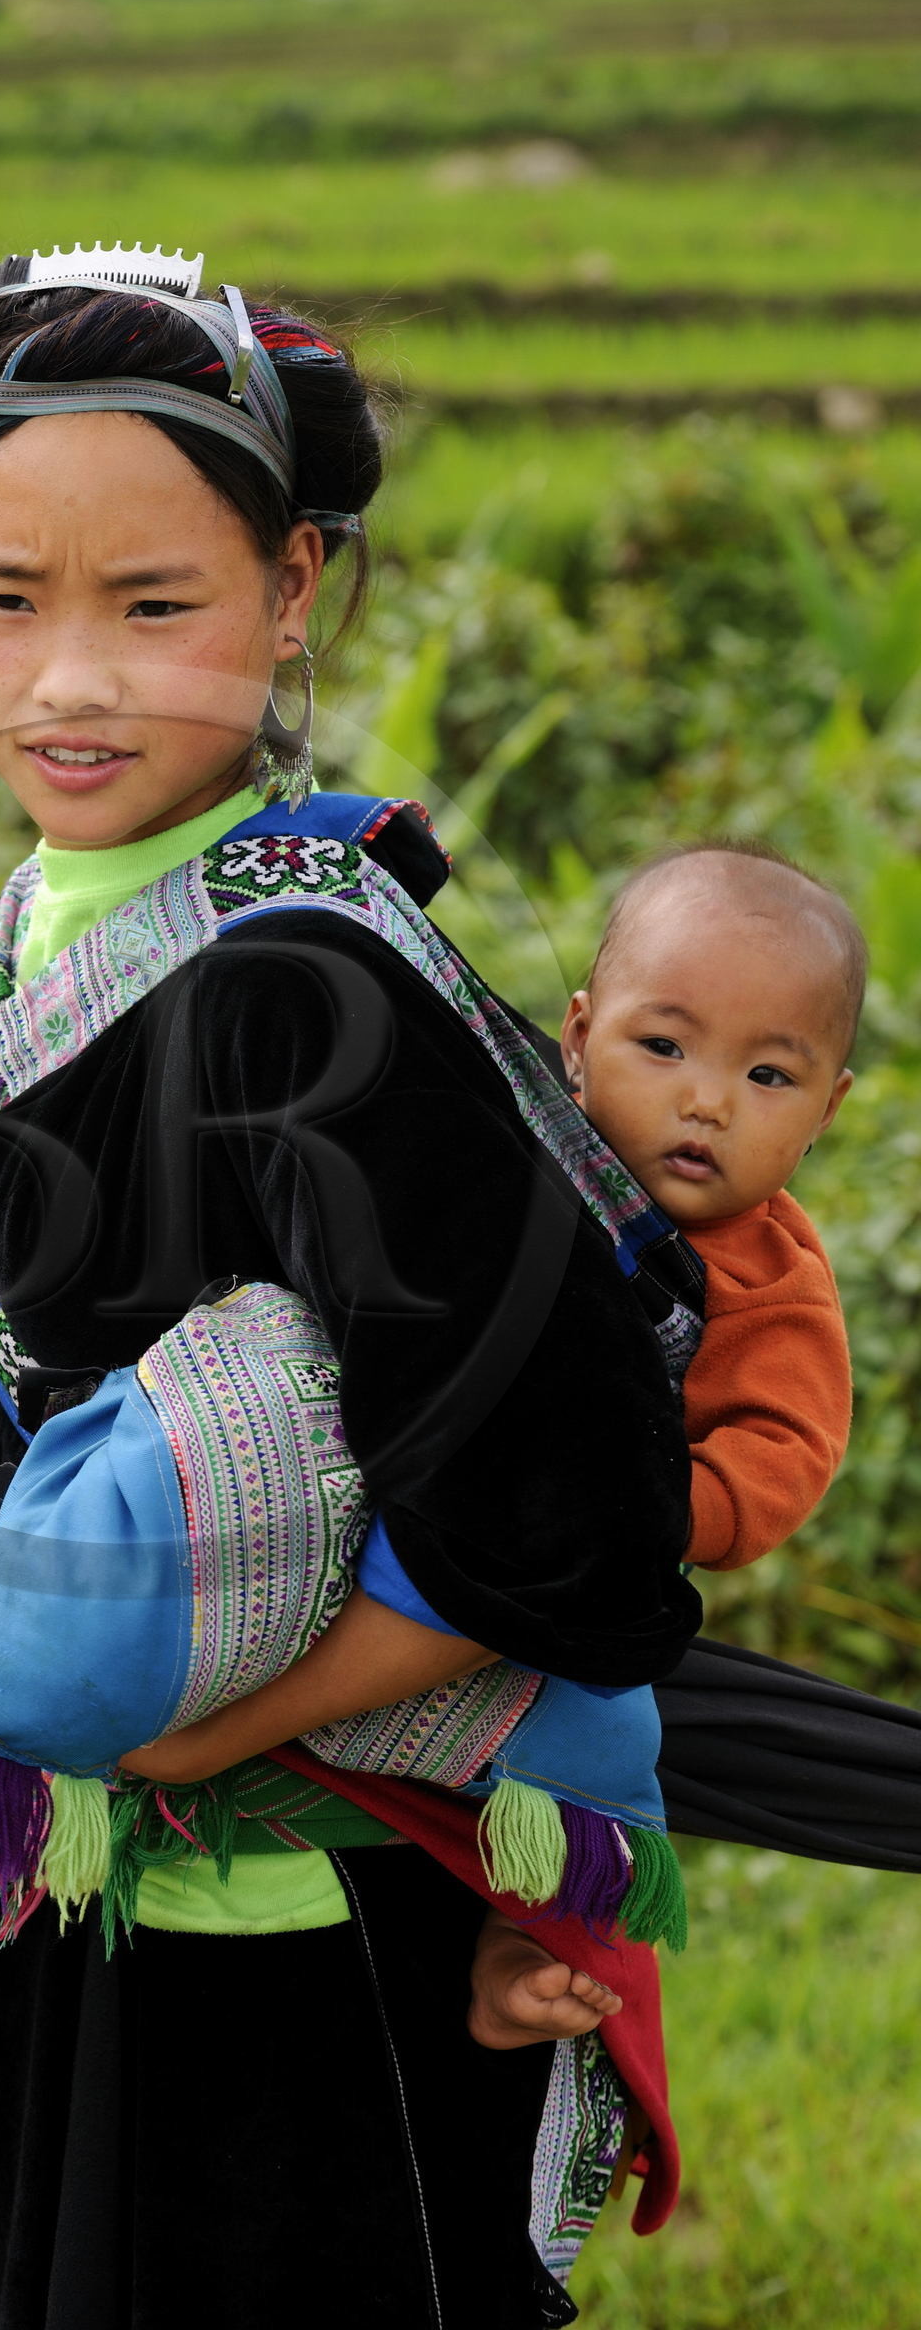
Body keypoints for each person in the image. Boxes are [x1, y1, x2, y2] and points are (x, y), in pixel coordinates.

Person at [0, 245, 700, 2330]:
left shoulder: (309, 984)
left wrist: (170, 1727)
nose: (67, 684)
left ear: (291, 591)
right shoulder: (9, 943)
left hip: (290, 1969)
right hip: (33, 1896)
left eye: (156, 609)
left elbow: (579, 1520)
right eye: (2, 598)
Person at [464, 840, 863, 2048]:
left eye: (767, 1075)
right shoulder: (510, 1151)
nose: (707, 1100)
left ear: (829, 1108)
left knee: (598, 1761)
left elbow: (781, 1455)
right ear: (576, 1039)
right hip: (410, 1526)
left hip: (578, 1610)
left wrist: (650, 1507)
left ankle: (529, 1952)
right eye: (664, 1047)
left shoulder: (770, 1284)